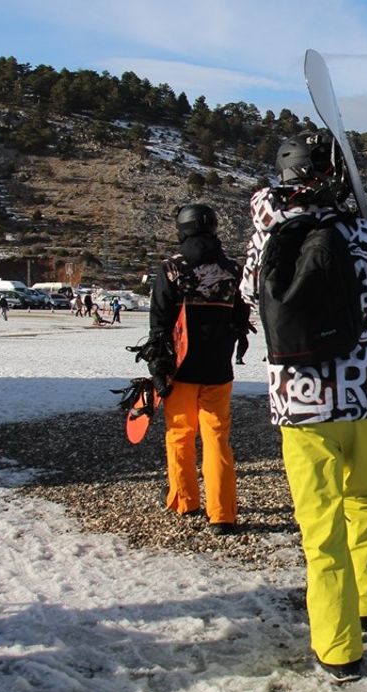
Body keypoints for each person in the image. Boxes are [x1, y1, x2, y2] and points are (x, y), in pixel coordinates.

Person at [243, 130, 367, 683]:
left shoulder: (266, 236)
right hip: (365, 394)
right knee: (366, 500)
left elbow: (252, 296)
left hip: (300, 402)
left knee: (320, 525)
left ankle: (339, 646)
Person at [149, 203, 249, 537]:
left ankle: (185, 501)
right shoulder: (233, 270)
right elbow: (240, 320)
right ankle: (222, 513)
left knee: (179, 435)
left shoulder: (171, 268)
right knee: (217, 438)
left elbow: (160, 322)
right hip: (218, 368)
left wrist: (157, 366)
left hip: (180, 369)